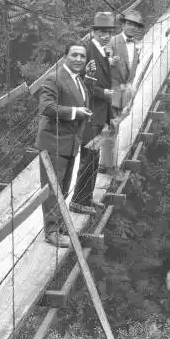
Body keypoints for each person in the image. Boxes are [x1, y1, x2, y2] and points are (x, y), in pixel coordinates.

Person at [35, 42, 92, 248]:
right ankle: (51, 231)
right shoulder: (54, 78)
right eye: (74, 55)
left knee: (63, 188)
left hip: (69, 143)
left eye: (82, 57)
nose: (78, 59)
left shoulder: (78, 80)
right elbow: (47, 107)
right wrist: (76, 112)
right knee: (52, 188)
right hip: (53, 142)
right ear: (65, 56)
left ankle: (59, 225)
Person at [71, 12, 117, 215]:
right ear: (93, 32)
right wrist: (103, 93)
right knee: (88, 156)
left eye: (108, 32)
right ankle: (78, 201)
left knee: (94, 157)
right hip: (90, 113)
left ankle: (87, 198)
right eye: (101, 31)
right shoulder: (88, 51)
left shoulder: (102, 50)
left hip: (100, 113)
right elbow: (82, 81)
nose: (105, 35)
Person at [110, 9, 145, 116]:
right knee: (106, 130)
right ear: (123, 25)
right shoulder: (112, 41)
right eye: (129, 24)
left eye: (136, 25)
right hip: (110, 98)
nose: (132, 27)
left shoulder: (138, 45)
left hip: (125, 98)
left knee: (117, 129)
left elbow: (131, 70)